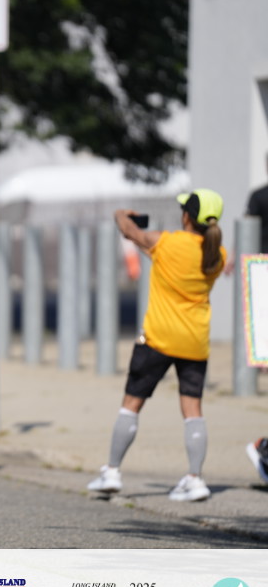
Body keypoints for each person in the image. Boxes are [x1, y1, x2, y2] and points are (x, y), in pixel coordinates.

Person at [87, 189, 227, 502]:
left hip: (158, 338)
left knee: (132, 403)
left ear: (187, 216)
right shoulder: (218, 255)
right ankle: (195, 479)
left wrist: (121, 214)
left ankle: (112, 471)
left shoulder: (168, 242)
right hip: (195, 341)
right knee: (193, 410)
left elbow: (130, 232)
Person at [247, 152, 268, 253]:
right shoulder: (258, 196)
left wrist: (235, 253)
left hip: (262, 256)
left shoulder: (258, 195)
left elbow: (247, 227)